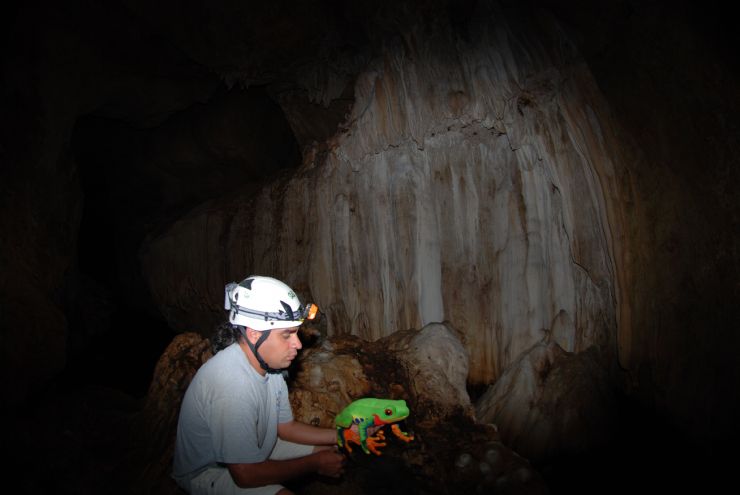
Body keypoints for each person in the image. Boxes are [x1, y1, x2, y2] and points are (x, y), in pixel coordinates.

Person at [172, 275, 346, 495]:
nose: (298, 344)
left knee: (329, 448)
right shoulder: (232, 383)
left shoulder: (271, 367)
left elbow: (286, 428)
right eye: (287, 335)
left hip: (256, 446)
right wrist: (315, 463)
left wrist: (344, 434)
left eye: (296, 332)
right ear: (254, 334)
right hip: (208, 470)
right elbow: (245, 474)